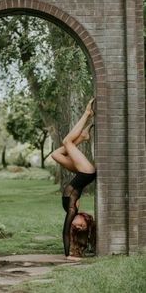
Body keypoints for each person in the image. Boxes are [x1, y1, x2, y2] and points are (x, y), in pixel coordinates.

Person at [51, 98, 96, 260]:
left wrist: (67, 254)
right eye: (81, 225)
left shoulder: (70, 211)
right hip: (86, 173)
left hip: (80, 173)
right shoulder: (72, 209)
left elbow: (65, 232)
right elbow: (68, 232)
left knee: (56, 154)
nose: (77, 223)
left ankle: (83, 137)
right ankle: (87, 114)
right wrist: (69, 254)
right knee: (67, 142)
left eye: (76, 226)